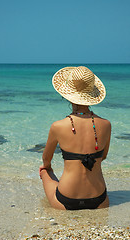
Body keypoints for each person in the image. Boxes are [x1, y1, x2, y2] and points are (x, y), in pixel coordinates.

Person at [39, 66, 111, 210]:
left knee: (45, 170)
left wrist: (47, 168)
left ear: (66, 95)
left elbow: (46, 160)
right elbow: (102, 157)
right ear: (91, 95)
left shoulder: (58, 126)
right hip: (100, 199)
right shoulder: (106, 124)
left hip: (66, 199)